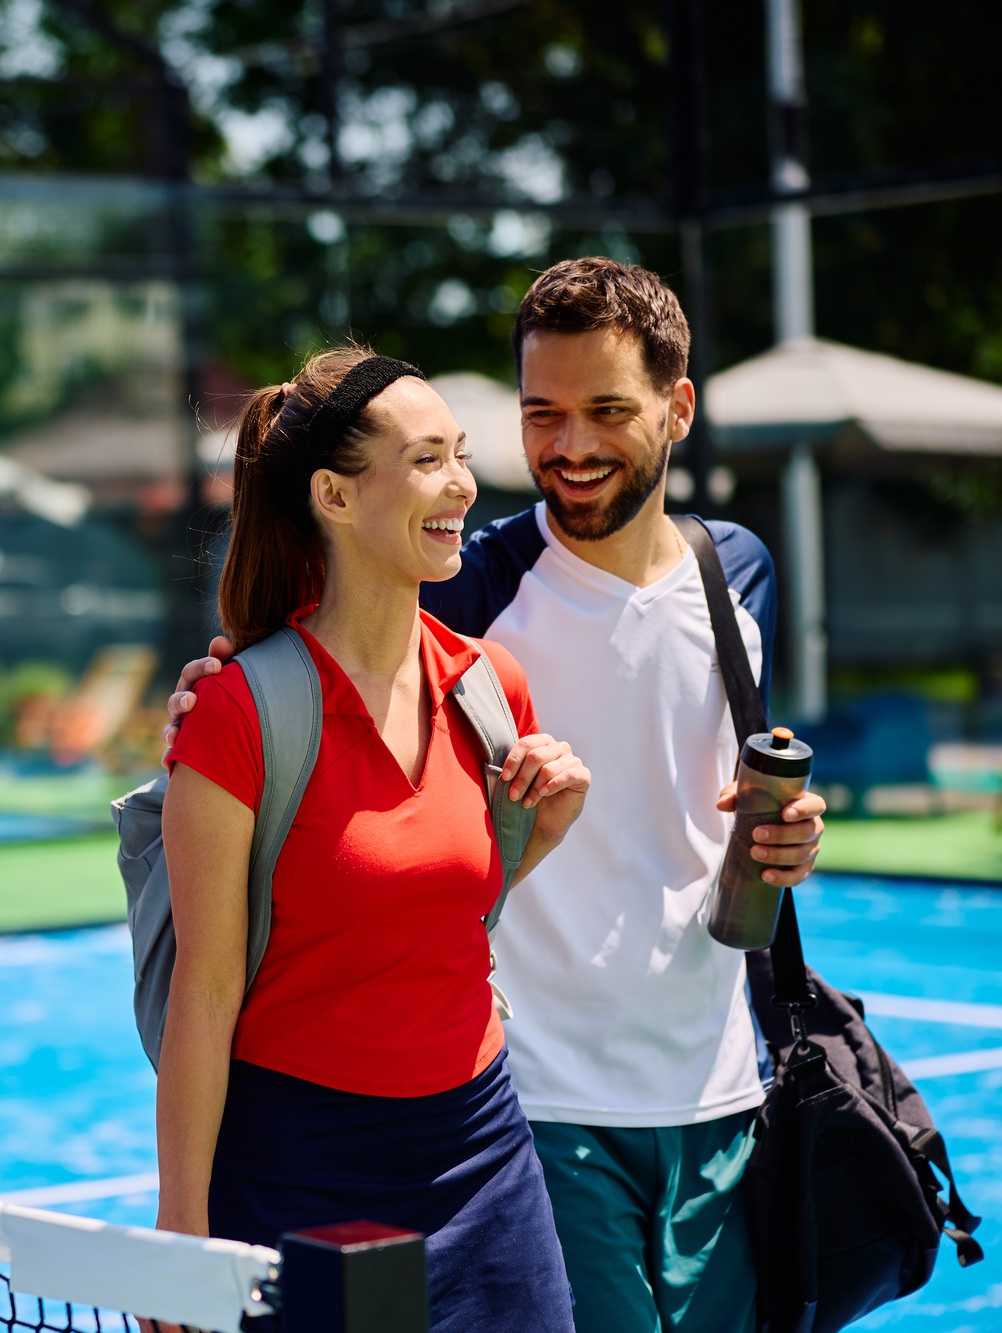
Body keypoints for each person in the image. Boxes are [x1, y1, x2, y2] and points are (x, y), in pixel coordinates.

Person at [166, 260, 829, 1333]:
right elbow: (319, 619)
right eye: (540, 414)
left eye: (606, 411)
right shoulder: (472, 584)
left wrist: (789, 833)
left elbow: (707, 784)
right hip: (536, 1102)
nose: (568, 446)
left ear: (677, 407)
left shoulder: (736, 572)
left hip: (719, 1094)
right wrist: (215, 685)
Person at [159, 347, 590, 1331]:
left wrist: (541, 829)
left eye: (461, 454)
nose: (463, 484)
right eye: (427, 457)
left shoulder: (493, 686)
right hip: (296, 1168)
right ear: (334, 496)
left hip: (481, 1146)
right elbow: (205, 989)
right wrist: (180, 1225)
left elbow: (437, 921)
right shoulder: (234, 714)